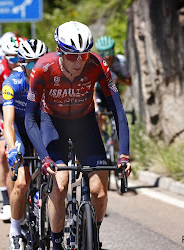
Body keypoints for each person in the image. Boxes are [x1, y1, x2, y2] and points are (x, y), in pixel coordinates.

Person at [25, 21, 132, 249]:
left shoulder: (98, 65)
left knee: (99, 191)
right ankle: (56, 243)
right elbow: (30, 119)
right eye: (73, 56)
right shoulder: (43, 68)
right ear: (60, 53)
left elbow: (118, 111)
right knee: (61, 183)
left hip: (85, 123)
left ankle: (90, 234)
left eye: (84, 55)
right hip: (52, 122)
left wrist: (124, 155)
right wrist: (44, 158)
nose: (80, 62)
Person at [2, 39, 48, 249]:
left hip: (43, 127)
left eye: (39, 62)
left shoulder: (52, 80)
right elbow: (9, 123)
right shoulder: (12, 83)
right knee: (21, 182)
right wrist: (12, 149)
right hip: (20, 131)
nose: (35, 67)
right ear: (21, 64)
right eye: (30, 63)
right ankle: (15, 231)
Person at [0, 36, 25, 221]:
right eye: (11, 58)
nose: (16, 62)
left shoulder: (25, 68)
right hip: (2, 114)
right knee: (2, 153)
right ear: (5, 57)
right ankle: (6, 201)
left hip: (19, 111)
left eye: (18, 57)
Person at [94, 35, 132, 131]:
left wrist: (116, 78)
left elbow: (129, 83)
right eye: (103, 53)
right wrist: (96, 107)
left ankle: (115, 144)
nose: (107, 56)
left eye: (110, 52)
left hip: (112, 92)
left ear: (114, 50)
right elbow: (91, 89)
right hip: (98, 92)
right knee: (100, 118)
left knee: (117, 125)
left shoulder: (121, 62)